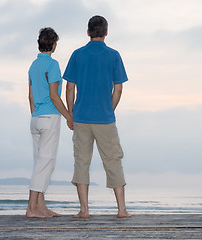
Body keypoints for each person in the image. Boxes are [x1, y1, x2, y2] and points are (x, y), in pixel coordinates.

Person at [63, 15, 130, 219]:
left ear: (88, 32)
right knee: (113, 161)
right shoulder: (114, 55)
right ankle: (121, 210)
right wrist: (109, 109)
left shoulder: (77, 54)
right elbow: (118, 90)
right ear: (106, 32)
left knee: (81, 162)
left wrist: (71, 113)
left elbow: (69, 86)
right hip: (105, 118)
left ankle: (84, 210)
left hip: (81, 117)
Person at [27, 27, 73, 218]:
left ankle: (41, 207)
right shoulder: (52, 65)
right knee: (46, 163)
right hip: (49, 117)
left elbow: (30, 96)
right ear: (53, 44)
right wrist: (68, 116)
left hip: (36, 118)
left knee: (40, 163)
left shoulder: (33, 65)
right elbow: (54, 96)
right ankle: (31, 208)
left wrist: (35, 116)